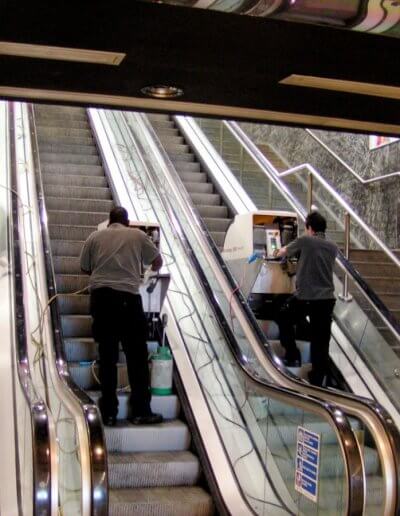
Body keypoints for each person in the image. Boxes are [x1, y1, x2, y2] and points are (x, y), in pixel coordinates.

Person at [80, 206, 164, 426]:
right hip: (128, 300)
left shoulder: (94, 236)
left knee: (107, 358)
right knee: (137, 357)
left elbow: (84, 267)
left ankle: (108, 413)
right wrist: (142, 271)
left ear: (109, 222)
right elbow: (158, 262)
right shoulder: (138, 235)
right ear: (127, 222)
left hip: (101, 299)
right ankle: (141, 411)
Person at [274, 211, 337, 386]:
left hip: (306, 297)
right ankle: (318, 380)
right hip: (326, 300)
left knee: (282, 314)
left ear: (309, 228)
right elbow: (316, 265)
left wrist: (276, 250)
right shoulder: (332, 247)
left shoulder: (305, 240)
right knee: (321, 340)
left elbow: (281, 252)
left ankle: (293, 354)